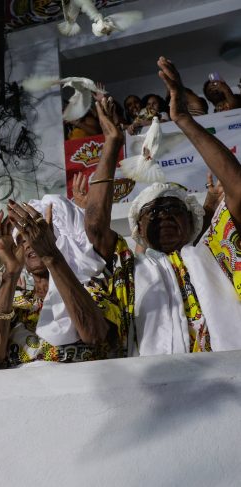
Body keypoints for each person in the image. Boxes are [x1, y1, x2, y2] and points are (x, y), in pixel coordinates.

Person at [85, 57, 241, 356]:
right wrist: (112, 142)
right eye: (151, 212)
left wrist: (183, 119)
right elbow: (95, 229)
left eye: (172, 207)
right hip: (162, 381)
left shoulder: (214, 249)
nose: (163, 216)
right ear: (138, 230)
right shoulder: (128, 271)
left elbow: (238, 188)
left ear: (192, 220)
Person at [0, 195, 128, 366]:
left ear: (57, 241)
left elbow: (95, 335)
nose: (28, 243)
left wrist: (50, 255)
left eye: (34, 235)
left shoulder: (91, 289)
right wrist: (11, 273)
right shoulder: (16, 304)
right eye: (22, 239)